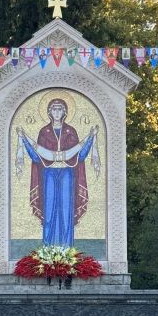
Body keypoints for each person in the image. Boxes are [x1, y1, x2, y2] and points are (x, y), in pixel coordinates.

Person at [16, 98, 100, 247]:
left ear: (64, 112)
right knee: (49, 210)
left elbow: (79, 156)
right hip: (49, 173)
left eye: (59, 109)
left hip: (67, 173)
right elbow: (37, 157)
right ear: (49, 112)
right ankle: (48, 249)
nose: (56, 112)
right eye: (54, 109)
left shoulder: (70, 131)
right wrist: (25, 141)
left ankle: (67, 249)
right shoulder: (44, 132)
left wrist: (90, 139)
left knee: (66, 210)